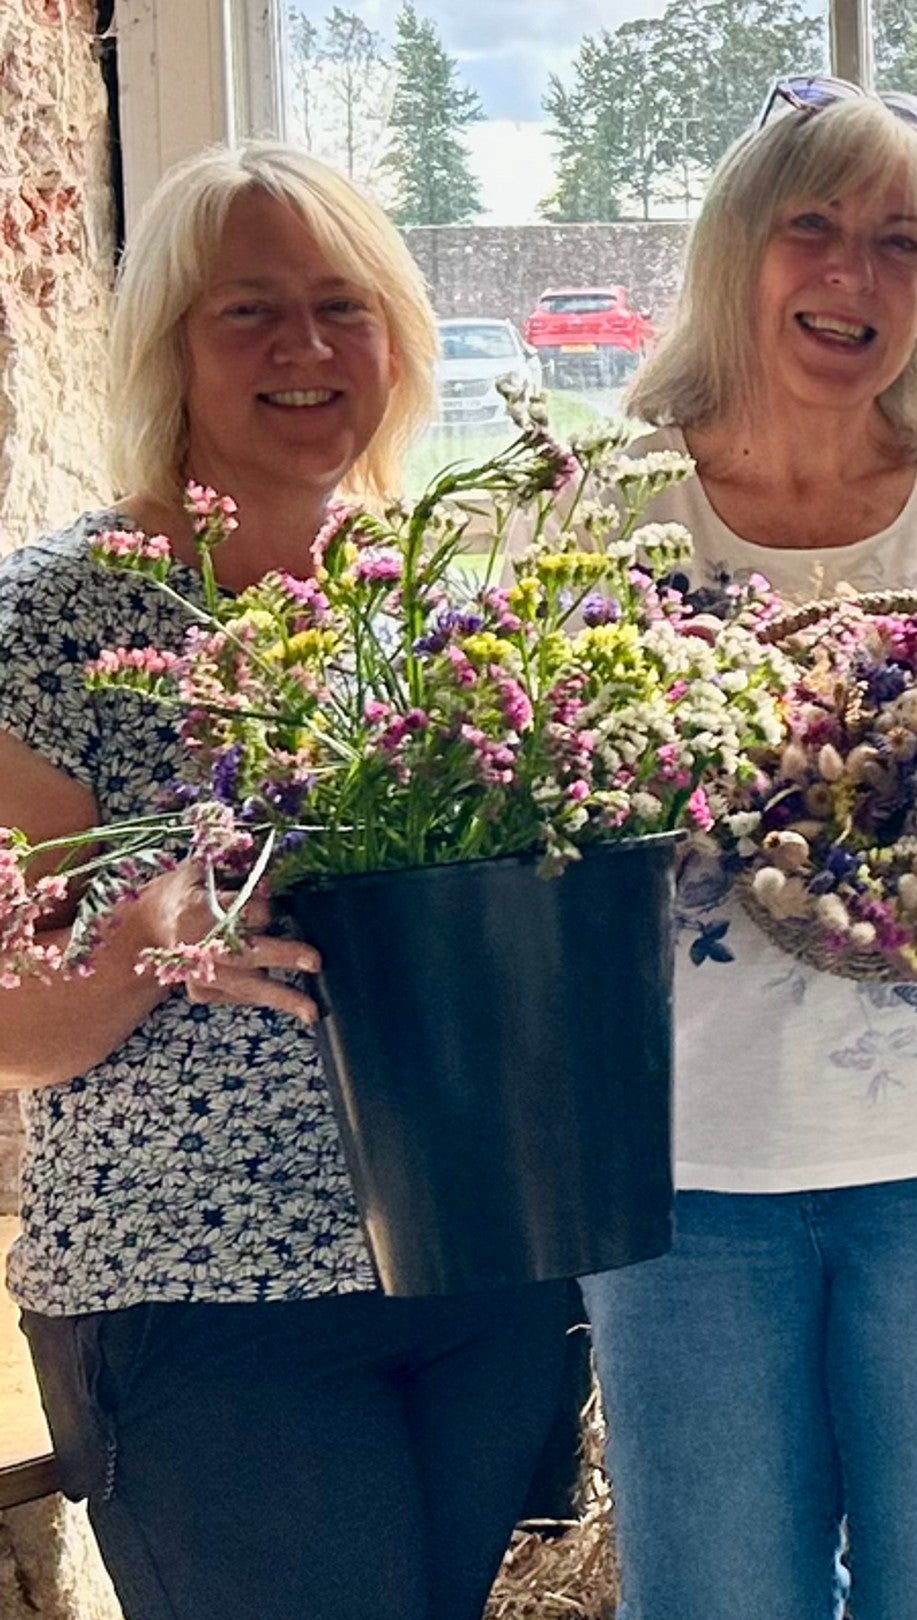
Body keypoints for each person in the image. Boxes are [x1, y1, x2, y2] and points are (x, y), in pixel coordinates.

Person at [0, 142, 580, 1619]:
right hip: (196, 1301)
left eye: (343, 306)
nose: (306, 349)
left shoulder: (443, 615)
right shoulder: (53, 623)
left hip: (469, 1276)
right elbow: (13, 1024)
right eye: (248, 311)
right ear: (171, 350)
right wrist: (162, 920)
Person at [577, 81, 917, 1620]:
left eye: (901, 241)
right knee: (718, 1596)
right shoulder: (601, 515)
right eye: (812, 227)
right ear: (736, 248)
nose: (853, 276)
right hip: (682, 1164)